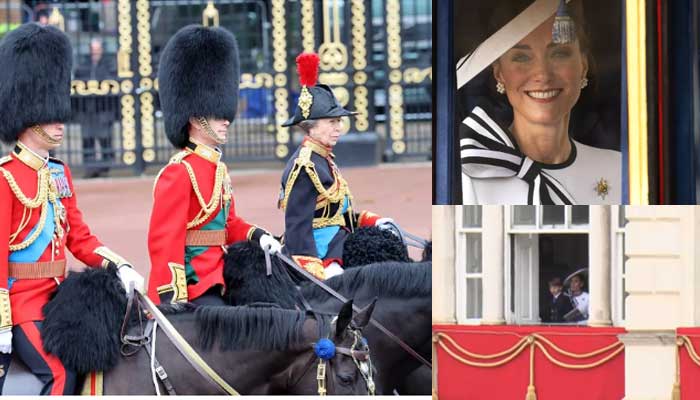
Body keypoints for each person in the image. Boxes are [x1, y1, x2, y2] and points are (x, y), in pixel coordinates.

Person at [0, 23, 144, 395]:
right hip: (22, 305)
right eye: (52, 116)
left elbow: (78, 237)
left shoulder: (58, 172)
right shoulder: (6, 176)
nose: (61, 122)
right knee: (58, 373)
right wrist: (2, 322)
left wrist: (119, 264)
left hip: (59, 300)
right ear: (28, 115)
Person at [147, 25, 281, 306]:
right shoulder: (179, 172)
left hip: (224, 275)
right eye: (217, 115)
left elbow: (228, 224)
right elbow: (165, 243)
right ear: (195, 118)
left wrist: (258, 236)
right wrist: (173, 299)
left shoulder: (218, 168)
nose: (226, 120)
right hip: (196, 286)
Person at [457, 0, 621, 204]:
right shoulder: (466, 175)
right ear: (499, 73)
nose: (542, 74)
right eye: (522, 58)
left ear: (584, 66)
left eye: (559, 53)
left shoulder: (619, 169)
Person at [278, 53, 394, 280]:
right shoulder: (305, 166)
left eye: (339, 121)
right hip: (321, 255)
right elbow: (297, 231)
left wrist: (374, 221)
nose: (339, 127)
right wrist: (319, 274)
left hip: (339, 244)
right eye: (332, 122)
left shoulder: (324, 158)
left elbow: (337, 214)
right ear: (310, 127)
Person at [74, 38, 117, 178]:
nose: (95, 52)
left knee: (105, 137)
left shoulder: (109, 64)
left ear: (102, 50)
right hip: (87, 109)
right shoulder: (84, 64)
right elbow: (78, 77)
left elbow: (111, 80)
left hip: (103, 107)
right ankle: (90, 166)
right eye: (93, 50)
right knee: (87, 138)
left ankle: (106, 165)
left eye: (97, 50)